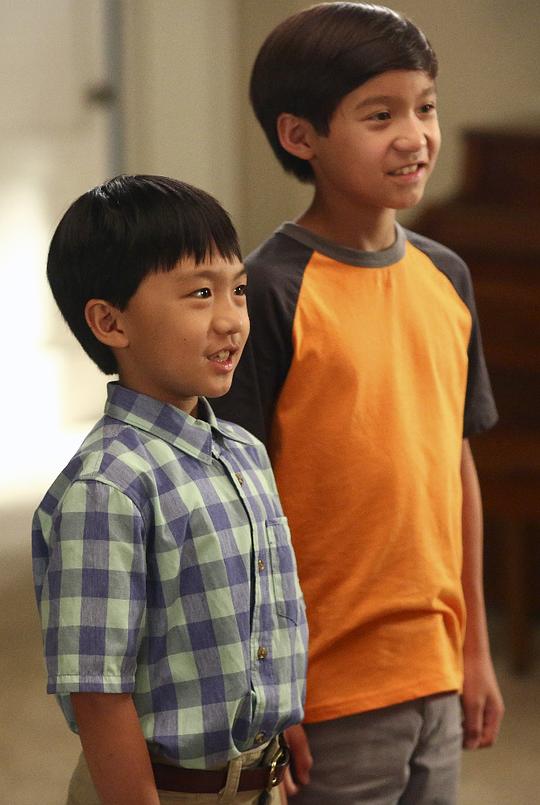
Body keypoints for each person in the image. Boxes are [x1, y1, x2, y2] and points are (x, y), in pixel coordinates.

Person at [211, 4, 504, 803]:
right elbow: (237, 506)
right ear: (299, 135)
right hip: (327, 684)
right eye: (381, 116)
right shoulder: (268, 290)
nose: (415, 136)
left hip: (435, 669)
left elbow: (456, 468)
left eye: (425, 107)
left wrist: (474, 648)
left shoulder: (447, 276)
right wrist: (268, 687)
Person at [32, 174, 307, 805]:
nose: (231, 319)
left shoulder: (245, 452)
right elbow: (98, 692)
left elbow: (265, 616)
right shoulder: (108, 487)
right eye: (201, 294)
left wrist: (277, 730)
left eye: (238, 290)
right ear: (110, 322)